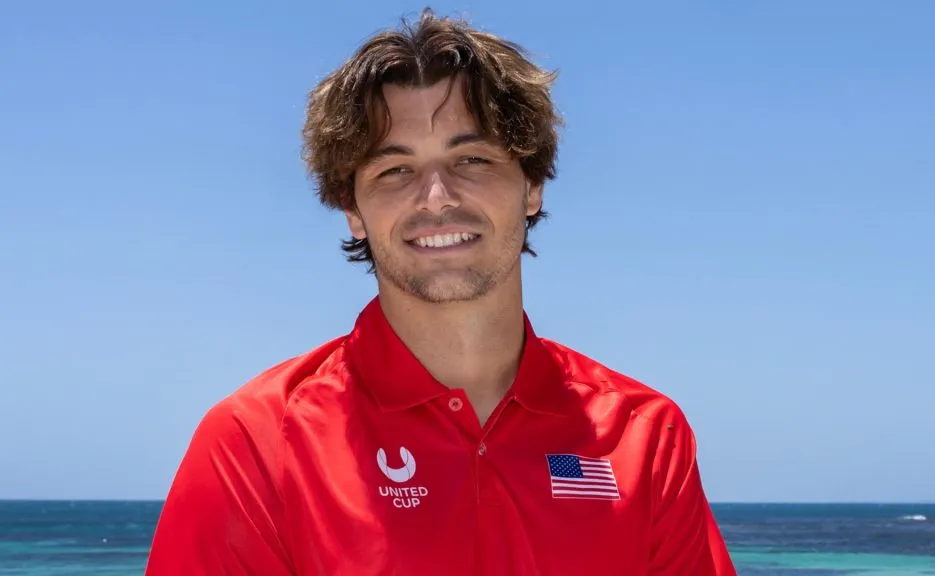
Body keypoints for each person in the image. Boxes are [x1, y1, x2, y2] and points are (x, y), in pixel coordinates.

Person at [145, 8, 736, 576]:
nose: (436, 198)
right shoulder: (257, 442)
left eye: (472, 159)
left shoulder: (644, 436)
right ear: (353, 208)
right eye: (394, 170)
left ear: (531, 186)